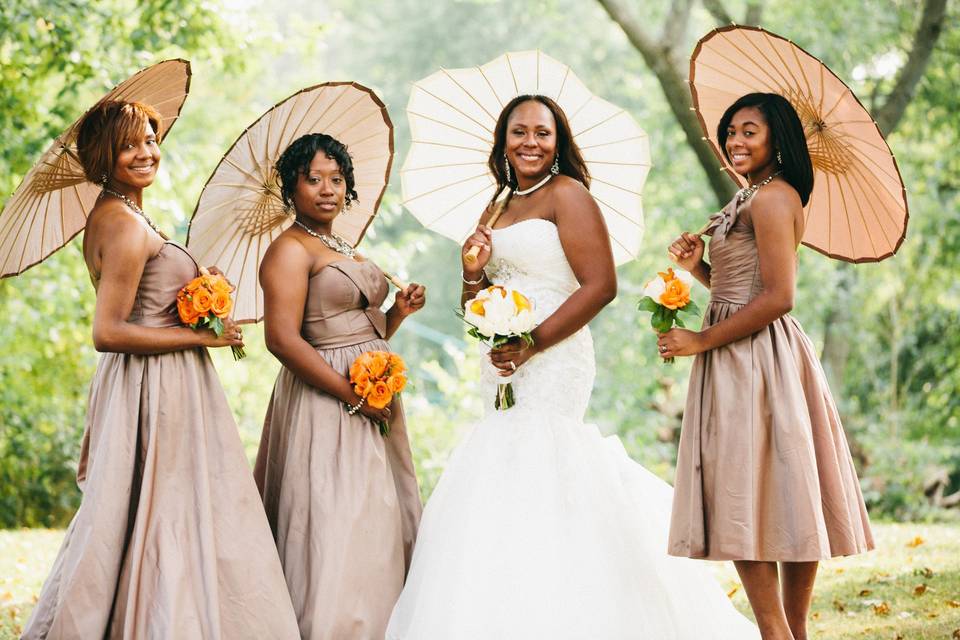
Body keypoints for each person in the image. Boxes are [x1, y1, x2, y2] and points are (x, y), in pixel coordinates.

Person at [386, 95, 759, 639]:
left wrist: (533, 342)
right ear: (503, 139)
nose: (530, 143)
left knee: (545, 455)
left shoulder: (569, 195)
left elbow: (601, 285)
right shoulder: (495, 206)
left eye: (542, 132)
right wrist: (470, 273)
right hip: (501, 358)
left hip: (554, 354)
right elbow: (475, 301)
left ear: (558, 140)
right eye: (519, 132)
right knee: (499, 463)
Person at [22, 100, 299, 639]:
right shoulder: (122, 224)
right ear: (105, 154)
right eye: (130, 144)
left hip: (163, 379)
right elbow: (108, 331)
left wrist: (199, 293)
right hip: (154, 387)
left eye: (151, 138)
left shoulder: (125, 212)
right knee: (162, 509)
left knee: (164, 508)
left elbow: (149, 300)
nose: (146, 151)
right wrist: (198, 334)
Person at [661, 92, 874, 640]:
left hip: (758, 359)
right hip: (738, 353)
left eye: (749, 131)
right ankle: (784, 633)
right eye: (731, 131)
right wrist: (698, 269)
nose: (735, 141)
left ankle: (780, 632)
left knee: (764, 487)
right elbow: (743, 287)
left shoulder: (774, 199)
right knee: (758, 486)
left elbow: (779, 296)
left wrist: (702, 339)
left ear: (778, 138)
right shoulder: (751, 194)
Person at [253, 133, 424, 640]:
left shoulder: (339, 244)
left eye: (337, 178)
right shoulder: (287, 250)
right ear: (291, 187)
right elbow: (283, 340)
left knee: (376, 517)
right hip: (327, 402)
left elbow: (360, 331)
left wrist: (398, 313)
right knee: (335, 517)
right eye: (313, 179)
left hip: (373, 399)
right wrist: (352, 397)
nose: (327, 189)